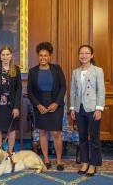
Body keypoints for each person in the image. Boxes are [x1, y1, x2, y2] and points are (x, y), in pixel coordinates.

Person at [27, 42, 66, 171]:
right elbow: (30, 91)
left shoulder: (57, 69)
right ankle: (46, 159)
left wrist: (56, 103)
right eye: (40, 55)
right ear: (38, 56)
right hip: (40, 104)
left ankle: (59, 160)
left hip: (55, 103)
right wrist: (38, 105)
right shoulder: (33, 71)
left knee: (56, 133)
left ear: (50, 56)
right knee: (43, 132)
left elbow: (63, 87)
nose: (43, 58)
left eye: (46, 55)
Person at [70, 45, 105, 177]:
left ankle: (93, 164)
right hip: (79, 109)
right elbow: (73, 91)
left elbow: (101, 90)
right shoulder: (75, 72)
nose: (83, 56)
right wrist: (72, 108)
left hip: (93, 109)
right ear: (79, 55)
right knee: (82, 137)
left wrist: (99, 109)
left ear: (91, 55)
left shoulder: (97, 71)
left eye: (86, 53)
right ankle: (85, 162)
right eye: (81, 53)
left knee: (94, 137)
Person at [0, 46, 22, 153]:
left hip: (11, 105)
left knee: (11, 129)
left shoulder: (16, 69)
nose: (5, 57)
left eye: (7, 54)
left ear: (11, 55)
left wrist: (16, 107)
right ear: (0, 56)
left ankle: (10, 152)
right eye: (3, 55)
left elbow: (19, 89)